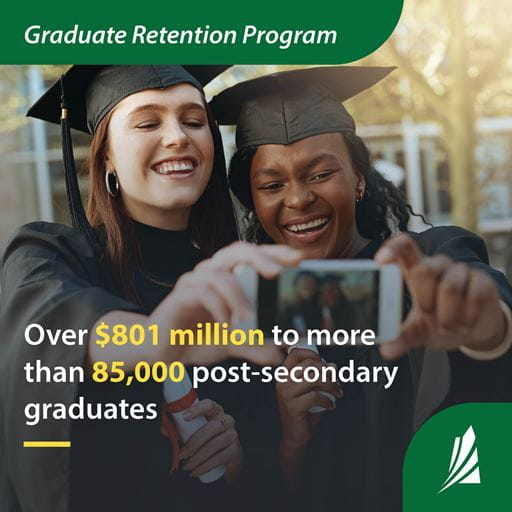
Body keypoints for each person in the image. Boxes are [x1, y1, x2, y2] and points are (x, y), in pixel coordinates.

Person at [211, 66, 512, 511]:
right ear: (253, 200)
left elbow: (485, 312)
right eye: (272, 185)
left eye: (319, 174)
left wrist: (483, 323)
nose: (297, 199)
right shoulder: (249, 320)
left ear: (358, 179)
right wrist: (294, 441)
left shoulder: (427, 257)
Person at [0, 65, 300, 512]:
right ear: (106, 158)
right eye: (147, 122)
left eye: (194, 121)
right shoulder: (49, 255)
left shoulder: (239, 283)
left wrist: (236, 459)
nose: (178, 136)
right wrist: (160, 339)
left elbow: (272, 466)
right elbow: (55, 329)